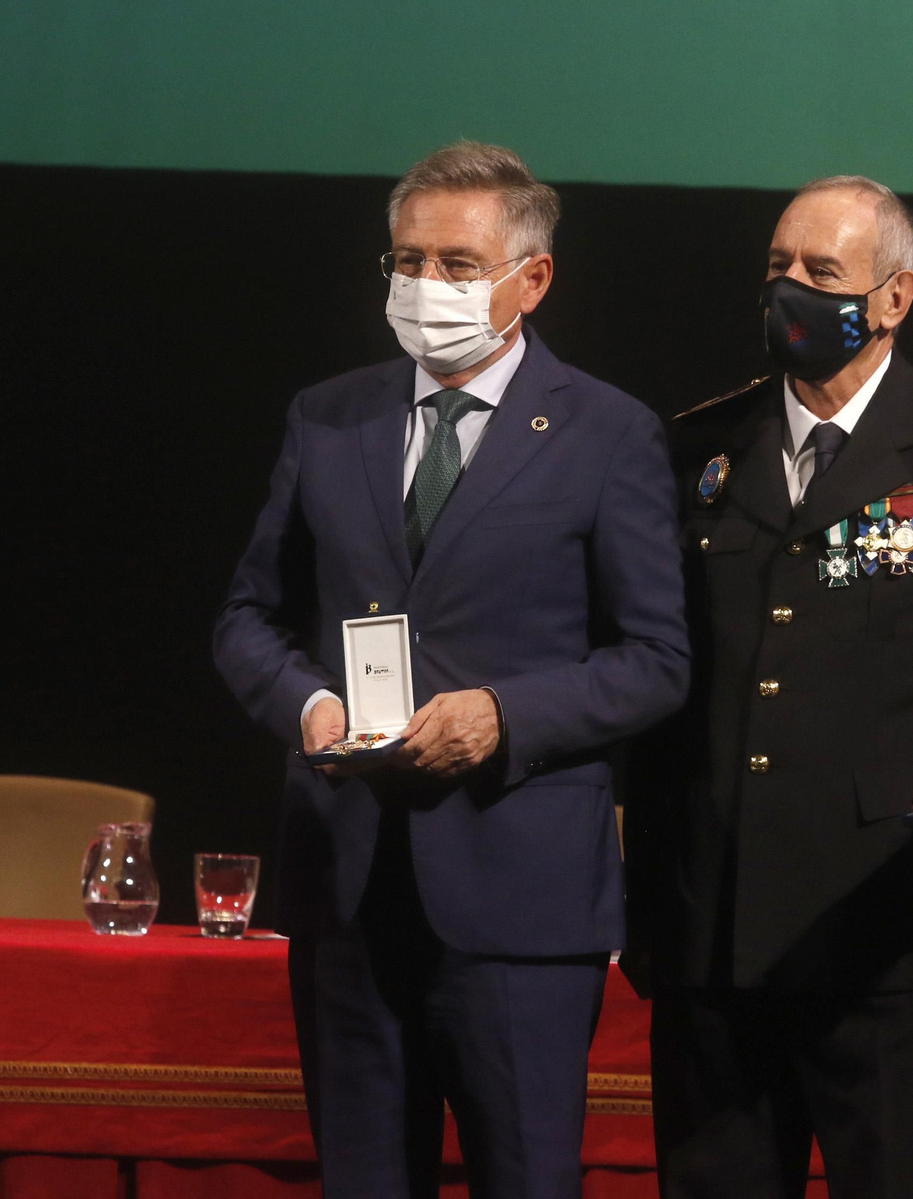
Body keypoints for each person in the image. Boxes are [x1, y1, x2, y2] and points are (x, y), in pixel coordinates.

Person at [214, 141, 689, 1199]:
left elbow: (656, 660)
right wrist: (312, 705)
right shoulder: (328, 416)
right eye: (406, 260)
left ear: (532, 278)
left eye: (457, 264)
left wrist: (501, 714)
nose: (424, 286)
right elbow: (247, 618)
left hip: (518, 897)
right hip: (346, 886)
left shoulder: (608, 433)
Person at [624, 175, 913, 1198]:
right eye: (779, 268)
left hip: (889, 935)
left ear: (894, 298)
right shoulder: (702, 445)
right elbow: (663, 681)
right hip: (714, 933)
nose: (792, 291)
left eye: (823, 273)